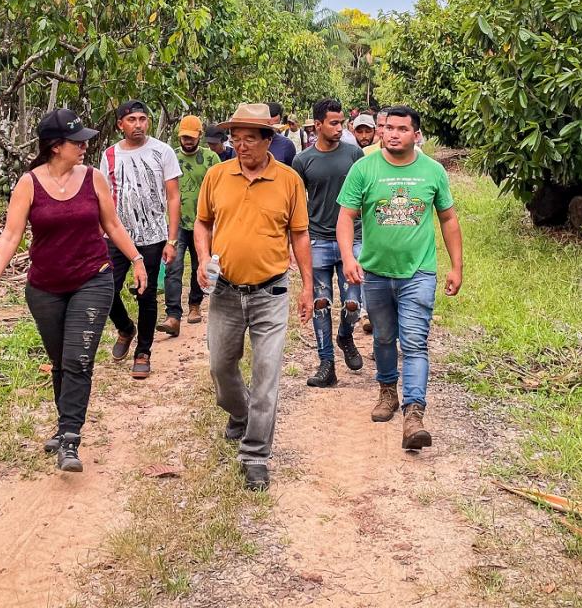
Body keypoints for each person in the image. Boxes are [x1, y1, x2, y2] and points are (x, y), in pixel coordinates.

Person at [0, 109, 147, 472]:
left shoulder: (94, 178)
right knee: (60, 361)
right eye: (77, 141)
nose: (85, 146)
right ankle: (63, 424)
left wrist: (136, 259)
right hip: (45, 287)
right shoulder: (29, 184)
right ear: (56, 146)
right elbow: (11, 236)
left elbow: (113, 225)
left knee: (78, 359)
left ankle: (70, 438)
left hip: (92, 278)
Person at [195, 103, 314, 491]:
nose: (240, 145)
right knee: (220, 367)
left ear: (269, 140)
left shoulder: (289, 180)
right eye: (235, 137)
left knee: (266, 376)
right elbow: (202, 222)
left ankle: (255, 455)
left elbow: (299, 234)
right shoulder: (217, 176)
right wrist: (201, 259)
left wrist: (309, 286)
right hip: (226, 292)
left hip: (271, 291)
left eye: (249, 138)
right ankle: (240, 412)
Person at [337, 105, 464, 451]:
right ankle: (387, 391)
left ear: (416, 135)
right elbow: (346, 217)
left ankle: (414, 414)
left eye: (402, 129)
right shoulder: (363, 169)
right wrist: (349, 256)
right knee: (382, 338)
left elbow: (448, 220)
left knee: (415, 342)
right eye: (389, 128)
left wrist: (457, 266)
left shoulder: (433, 171)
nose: (393, 134)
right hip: (375, 272)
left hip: (418, 273)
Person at [102, 99, 181, 380]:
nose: (138, 125)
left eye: (142, 119)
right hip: (116, 234)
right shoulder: (109, 155)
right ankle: (125, 328)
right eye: (132, 119)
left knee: (145, 293)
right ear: (120, 124)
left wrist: (171, 240)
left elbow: (173, 196)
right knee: (105, 289)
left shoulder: (163, 152)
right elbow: (105, 196)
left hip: (152, 236)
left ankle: (143, 351)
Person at [293, 98, 364, 388]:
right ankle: (326, 364)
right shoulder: (303, 160)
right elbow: (296, 204)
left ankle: (345, 335)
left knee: (353, 303)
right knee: (320, 303)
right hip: (318, 239)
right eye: (333, 123)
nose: (339, 128)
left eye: (341, 122)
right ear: (318, 125)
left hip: (354, 239)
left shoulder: (354, 154)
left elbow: (367, 196)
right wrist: (292, 242)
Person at [160, 115, 221, 333]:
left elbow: (220, 188)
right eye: (184, 137)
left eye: (191, 137)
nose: (187, 141)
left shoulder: (211, 159)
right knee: (172, 268)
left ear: (199, 137)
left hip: (203, 222)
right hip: (176, 223)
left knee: (199, 265)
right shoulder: (170, 157)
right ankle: (172, 315)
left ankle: (195, 305)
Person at [266, 101, 297, 166]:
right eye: (267, 124)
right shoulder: (247, 143)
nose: (271, 128)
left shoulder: (287, 145)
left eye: (274, 125)